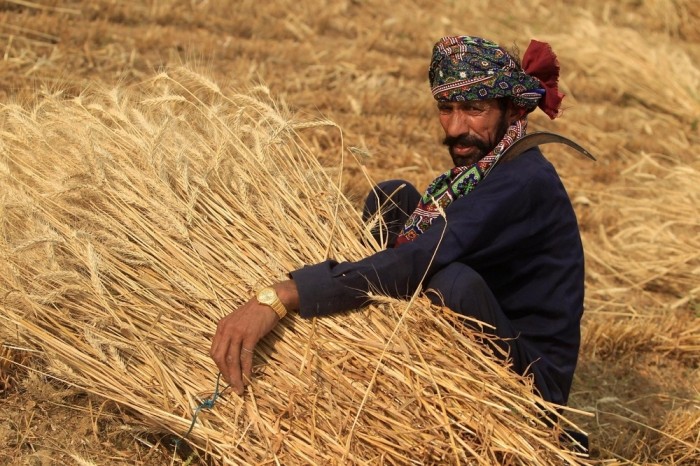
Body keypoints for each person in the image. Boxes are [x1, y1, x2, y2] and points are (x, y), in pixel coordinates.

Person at [210, 35, 585, 412]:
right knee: (393, 198)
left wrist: (285, 295)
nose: (455, 127)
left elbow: (422, 257)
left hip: (531, 383)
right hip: (495, 308)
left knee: (449, 280)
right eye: (446, 107)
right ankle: (378, 316)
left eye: (474, 109)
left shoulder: (523, 181)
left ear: (514, 111)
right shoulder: (493, 163)